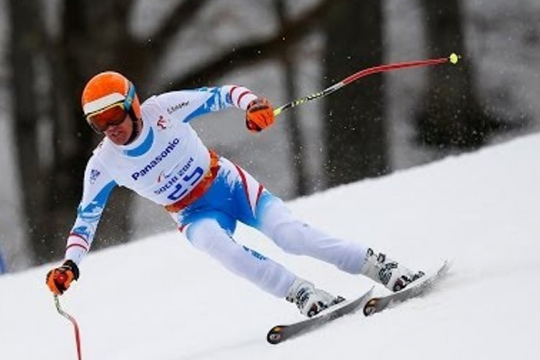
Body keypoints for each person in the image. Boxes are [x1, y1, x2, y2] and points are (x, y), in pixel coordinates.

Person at [45, 71, 424, 317]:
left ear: (133, 106)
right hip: (192, 214)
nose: (109, 128)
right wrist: (70, 265)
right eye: (97, 123)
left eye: (114, 116)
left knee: (290, 236)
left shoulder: (163, 109)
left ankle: (382, 267)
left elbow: (223, 94)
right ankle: (302, 294)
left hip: (227, 186)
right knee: (217, 246)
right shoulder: (104, 163)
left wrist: (252, 105)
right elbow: (86, 219)